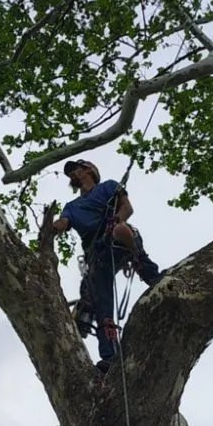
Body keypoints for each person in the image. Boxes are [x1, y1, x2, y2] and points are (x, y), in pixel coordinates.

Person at [52, 158, 163, 372]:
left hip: (116, 234)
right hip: (96, 253)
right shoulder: (72, 207)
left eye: (76, 169)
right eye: (70, 173)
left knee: (121, 232)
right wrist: (52, 227)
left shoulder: (108, 187)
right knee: (100, 301)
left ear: (89, 170)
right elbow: (64, 223)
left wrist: (117, 219)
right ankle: (110, 356)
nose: (73, 174)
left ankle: (149, 273)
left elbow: (127, 208)